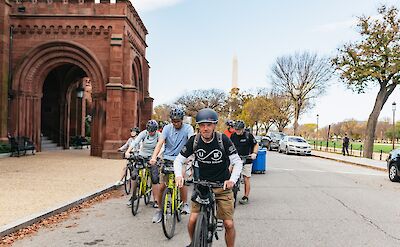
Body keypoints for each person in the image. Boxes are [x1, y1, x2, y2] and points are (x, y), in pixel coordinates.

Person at [174, 108, 242, 247]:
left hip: (222, 186)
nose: (205, 128)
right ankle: (194, 243)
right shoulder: (194, 140)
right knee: (192, 220)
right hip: (202, 186)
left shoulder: (222, 140)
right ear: (198, 126)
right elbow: (178, 160)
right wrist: (178, 176)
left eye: (209, 125)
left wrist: (232, 180)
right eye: (202, 125)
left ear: (214, 125)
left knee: (228, 224)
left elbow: (237, 161)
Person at [149, 108, 194, 223]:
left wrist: (191, 157)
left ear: (182, 120)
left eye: (178, 121)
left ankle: (185, 204)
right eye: (174, 121)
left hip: (182, 159)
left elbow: (192, 141)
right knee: (162, 186)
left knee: (181, 179)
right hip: (168, 159)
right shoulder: (167, 128)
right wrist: (154, 157)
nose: (176, 123)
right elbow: (160, 143)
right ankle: (159, 210)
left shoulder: (188, 128)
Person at [125, 120, 160, 207]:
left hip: (152, 158)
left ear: (156, 130)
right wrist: (128, 151)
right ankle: (133, 196)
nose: (151, 133)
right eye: (149, 131)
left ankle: (156, 200)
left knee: (155, 179)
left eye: (152, 131)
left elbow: (161, 146)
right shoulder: (144, 133)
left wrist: (156, 157)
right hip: (142, 155)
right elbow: (135, 142)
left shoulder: (159, 135)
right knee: (134, 175)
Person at [230, 120, 259, 205]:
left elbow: (256, 145)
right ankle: (229, 193)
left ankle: (245, 196)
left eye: (239, 130)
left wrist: (254, 153)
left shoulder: (248, 136)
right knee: (230, 174)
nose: (237, 131)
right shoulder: (233, 136)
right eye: (236, 129)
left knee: (246, 178)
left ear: (243, 129)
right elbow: (229, 146)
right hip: (236, 159)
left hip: (247, 159)